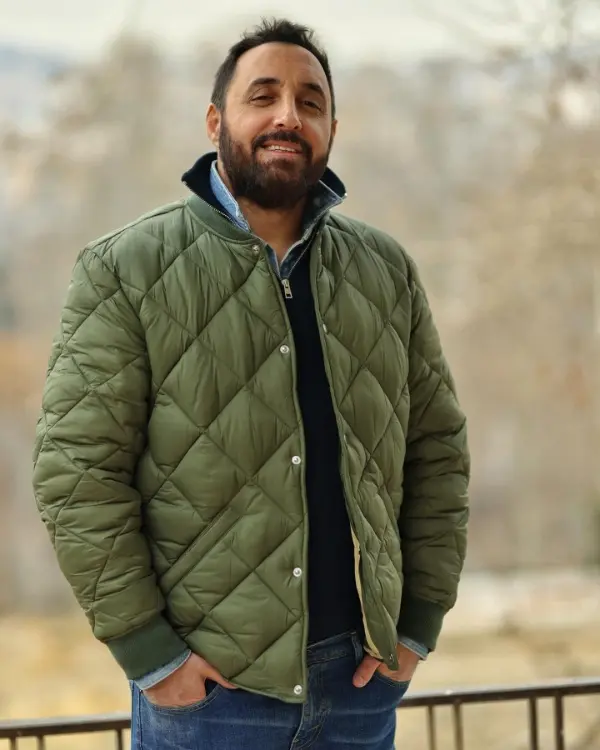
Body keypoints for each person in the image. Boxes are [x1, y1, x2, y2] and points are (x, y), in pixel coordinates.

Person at [32, 17, 470, 750]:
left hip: (361, 690)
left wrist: (417, 624)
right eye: (262, 96)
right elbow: (76, 473)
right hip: (212, 700)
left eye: (310, 101)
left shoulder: (385, 270)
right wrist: (152, 654)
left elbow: (438, 452)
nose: (287, 116)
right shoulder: (125, 269)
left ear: (331, 130)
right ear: (215, 122)